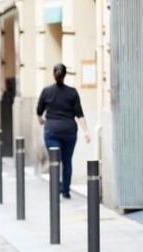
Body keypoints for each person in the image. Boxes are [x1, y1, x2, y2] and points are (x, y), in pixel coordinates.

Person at [37, 63, 91, 199]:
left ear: (53, 74)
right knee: (67, 161)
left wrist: (41, 121)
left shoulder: (46, 91)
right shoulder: (72, 92)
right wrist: (86, 131)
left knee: (54, 161)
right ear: (65, 75)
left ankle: (56, 187)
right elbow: (79, 114)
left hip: (52, 131)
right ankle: (65, 190)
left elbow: (39, 111)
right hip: (69, 131)